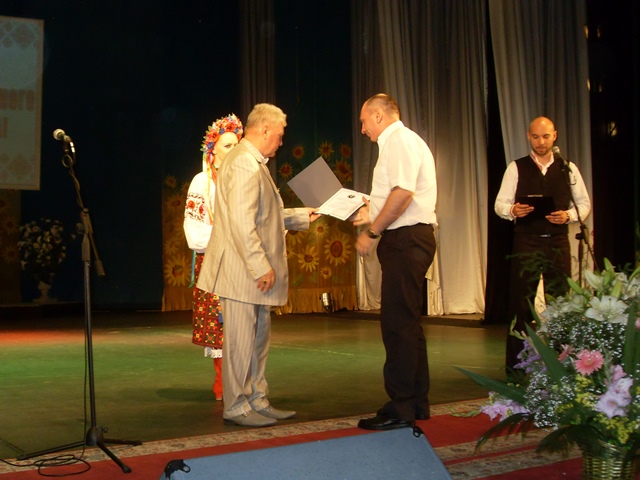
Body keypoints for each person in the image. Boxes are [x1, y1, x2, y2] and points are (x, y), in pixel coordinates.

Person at [197, 103, 320, 427]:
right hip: (242, 272)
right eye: (279, 135)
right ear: (264, 129)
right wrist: (260, 266)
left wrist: (299, 216)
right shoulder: (243, 163)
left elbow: (263, 215)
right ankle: (236, 406)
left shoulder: (252, 162)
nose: (281, 142)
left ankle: (256, 399)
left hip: (250, 272)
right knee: (240, 343)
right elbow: (241, 222)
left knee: (257, 341)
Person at [353, 93, 437, 431]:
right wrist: (370, 211)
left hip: (406, 240)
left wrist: (372, 232)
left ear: (378, 115)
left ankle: (400, 407)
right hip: (409, 238)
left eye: (363, 122)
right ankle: (415, 402)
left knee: (398, 325)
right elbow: (398, 195)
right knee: (407, 324)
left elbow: (402, 195)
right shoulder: (402, 142)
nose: (362, 130)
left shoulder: (398, 141)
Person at [495, 116, 591, 372]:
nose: (541, 142)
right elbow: (500, 204)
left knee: (559, 304)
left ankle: (561, 366)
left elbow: (584, 204)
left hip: (558, 242)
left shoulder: (567, 168)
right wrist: (513, 210)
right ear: (529, 136)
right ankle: (517, 368)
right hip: (526, 241)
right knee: (520, 304)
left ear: (554, 136)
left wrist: (568, 216)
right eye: (536, 137)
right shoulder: (516, 167)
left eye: (546, 136)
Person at [184, 114, 244, 401]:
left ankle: (244, 385)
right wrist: (231, 235)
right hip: (217, 263)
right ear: (213, 150)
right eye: (227, 145)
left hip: (243, 262)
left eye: (236, 145)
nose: (233, 150)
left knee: (243, 327)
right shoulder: (203, 182)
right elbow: (195, 236)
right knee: (221, 327)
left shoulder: (246, 179)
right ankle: (224, 385)